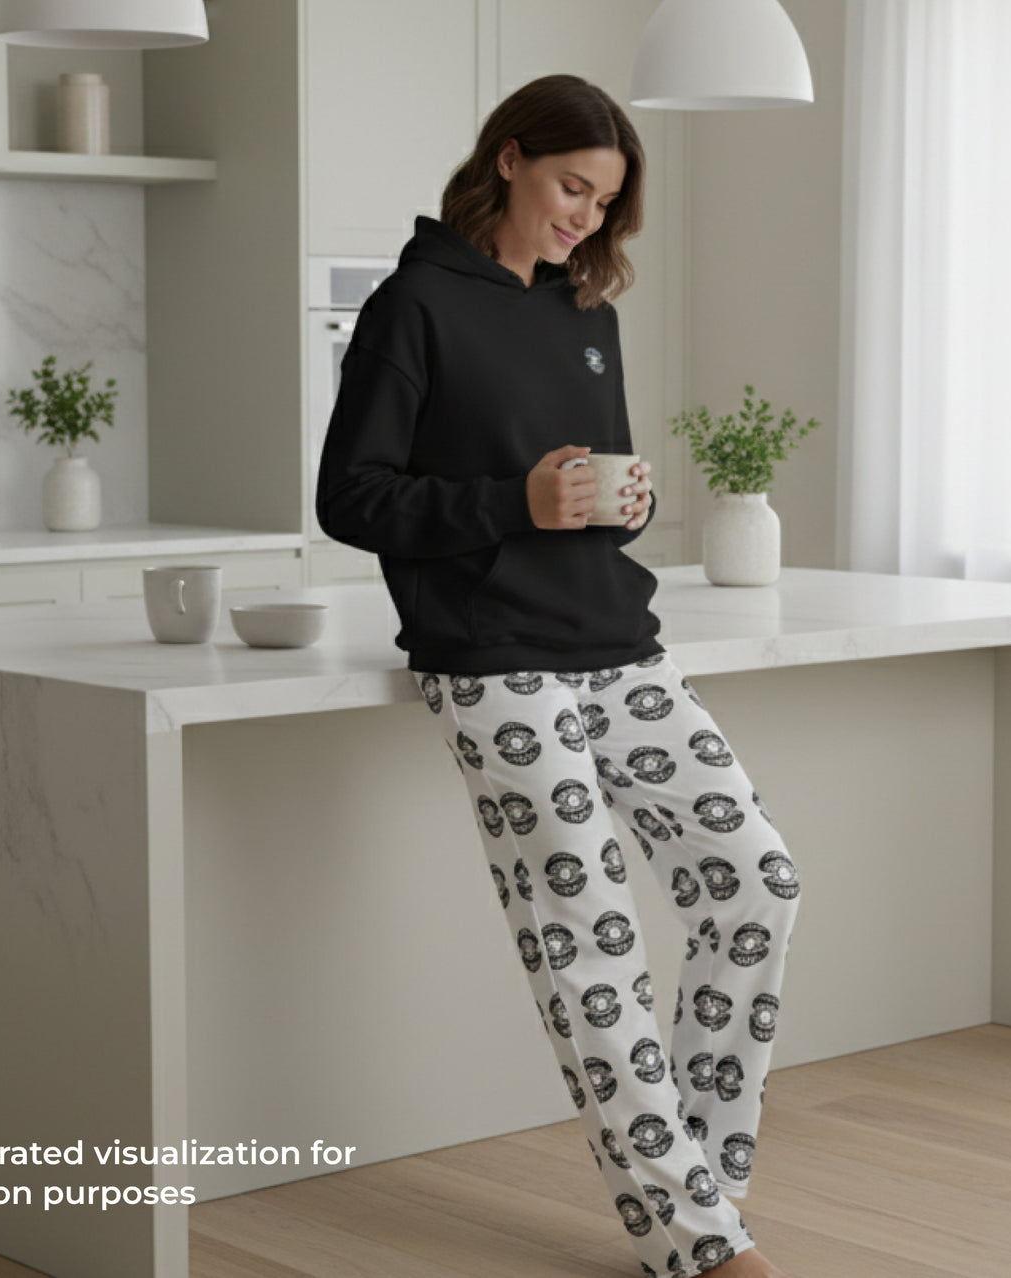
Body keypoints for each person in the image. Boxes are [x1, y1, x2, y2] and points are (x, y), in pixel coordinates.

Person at [315, 72, 800, 1278]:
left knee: (754, 882)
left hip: (615, 641)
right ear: (511, 159)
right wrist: (512, 501)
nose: (586, 217)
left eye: (605, 202)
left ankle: (701, 1195)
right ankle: (699, 1244)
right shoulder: (413, 305)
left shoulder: (587, 309)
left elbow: (587, 493)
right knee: (589, 939)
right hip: (494, 664)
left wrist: (616, 501)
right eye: (572, 187)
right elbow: (350, 498)